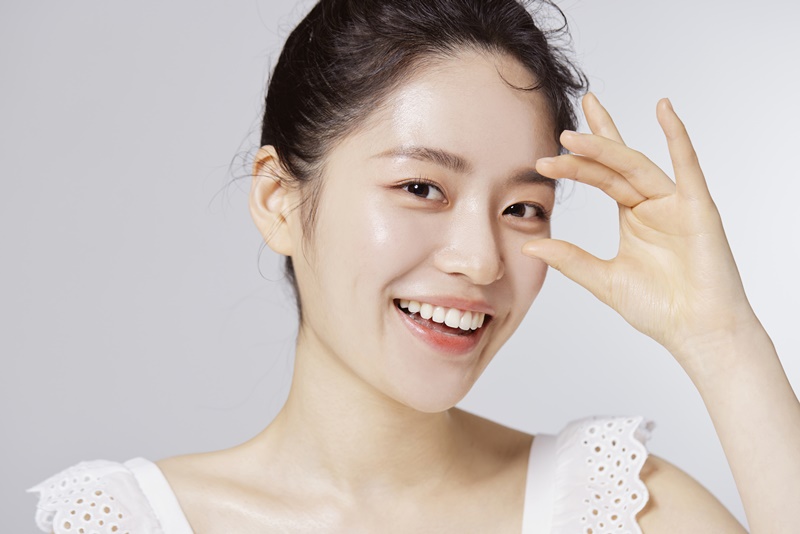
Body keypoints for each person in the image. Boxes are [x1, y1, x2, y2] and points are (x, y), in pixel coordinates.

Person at [28, 0, 799, 532]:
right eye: (422, 188)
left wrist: (721, 338)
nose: (480, 259)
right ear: (278, 201)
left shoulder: (620, 507)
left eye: (522, 207)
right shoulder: (133, 519)